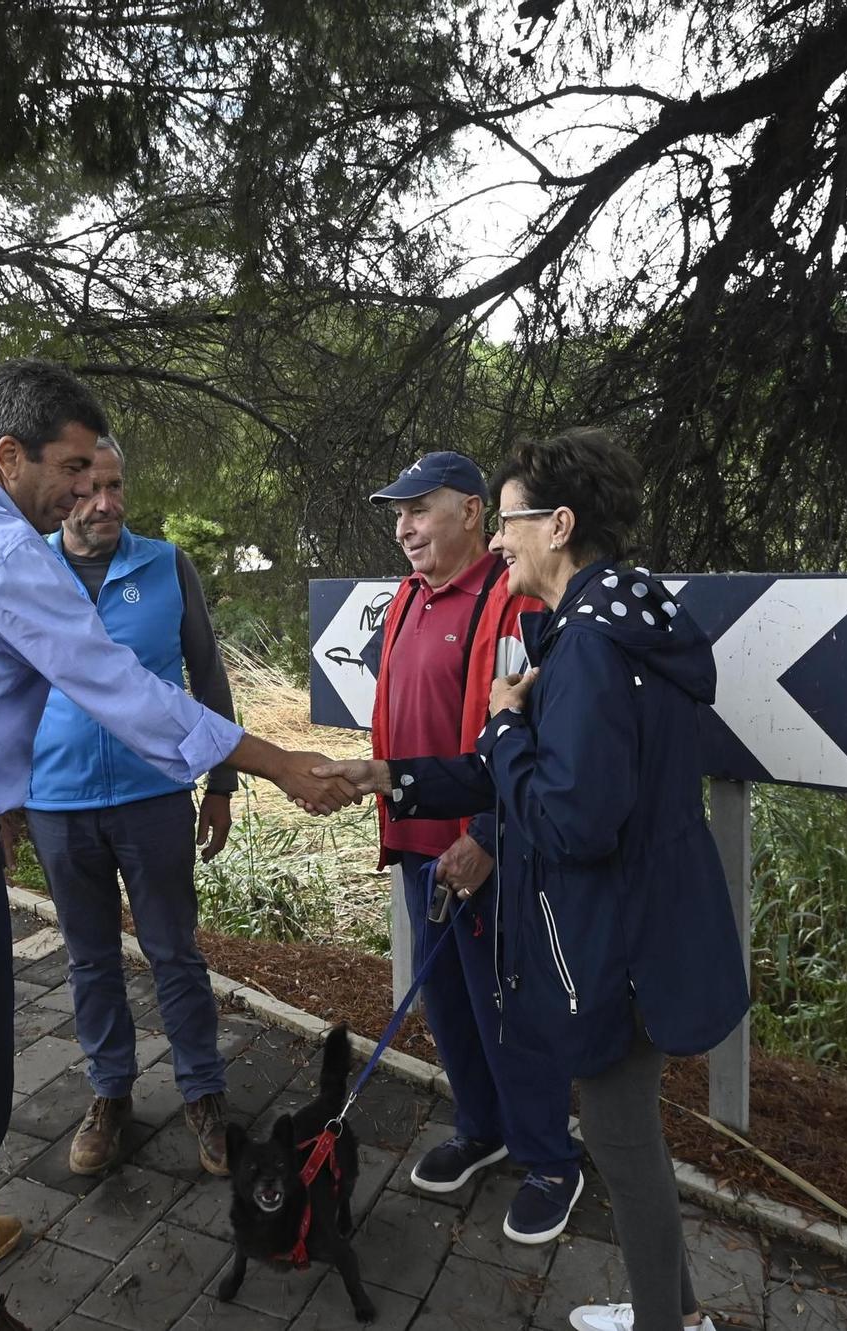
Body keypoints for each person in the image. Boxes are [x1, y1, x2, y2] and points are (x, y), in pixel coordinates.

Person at [0, 358, 358, 1331]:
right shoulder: (3, 549)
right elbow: (115, 685)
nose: (85, 487)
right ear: (9, 453)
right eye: (71, 466)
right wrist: (276, 760)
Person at [317, 427, 748, 1331]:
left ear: (557, 525)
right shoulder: (620, 620)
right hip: (657, 919)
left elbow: (566, 818)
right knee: (635, 1142)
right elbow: (531, 776)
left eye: (510, 522)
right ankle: (684, 1316)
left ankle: (672, 1325)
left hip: (619, 940)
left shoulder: (586, 649)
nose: (502, 541)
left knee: (624, 1144)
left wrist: (507, 725)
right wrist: (393, 775)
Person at [362, 450, 580, 1244]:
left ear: (471, 512)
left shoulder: (510, 600)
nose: (404, 526)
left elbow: (536, 732)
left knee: (512, 1012)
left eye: (420, 508)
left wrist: (487, 835)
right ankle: (483, 1128)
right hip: (422, 845)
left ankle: (552, 1158)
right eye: (398, 512)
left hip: (490, 852)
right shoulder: (407, 599)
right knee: (450, 1007)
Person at [22, 434, 241, 1178]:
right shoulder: (27, 567)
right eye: (87, 488)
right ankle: (110, 1091)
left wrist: (222, 783)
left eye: (115, 485)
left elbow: (205, 672)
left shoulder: (166, 564)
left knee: (175, 950)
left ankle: (204, 1091)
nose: (105, 502)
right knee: (88, 957)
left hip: (153, 796)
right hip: (56, 798)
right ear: (61, 489)